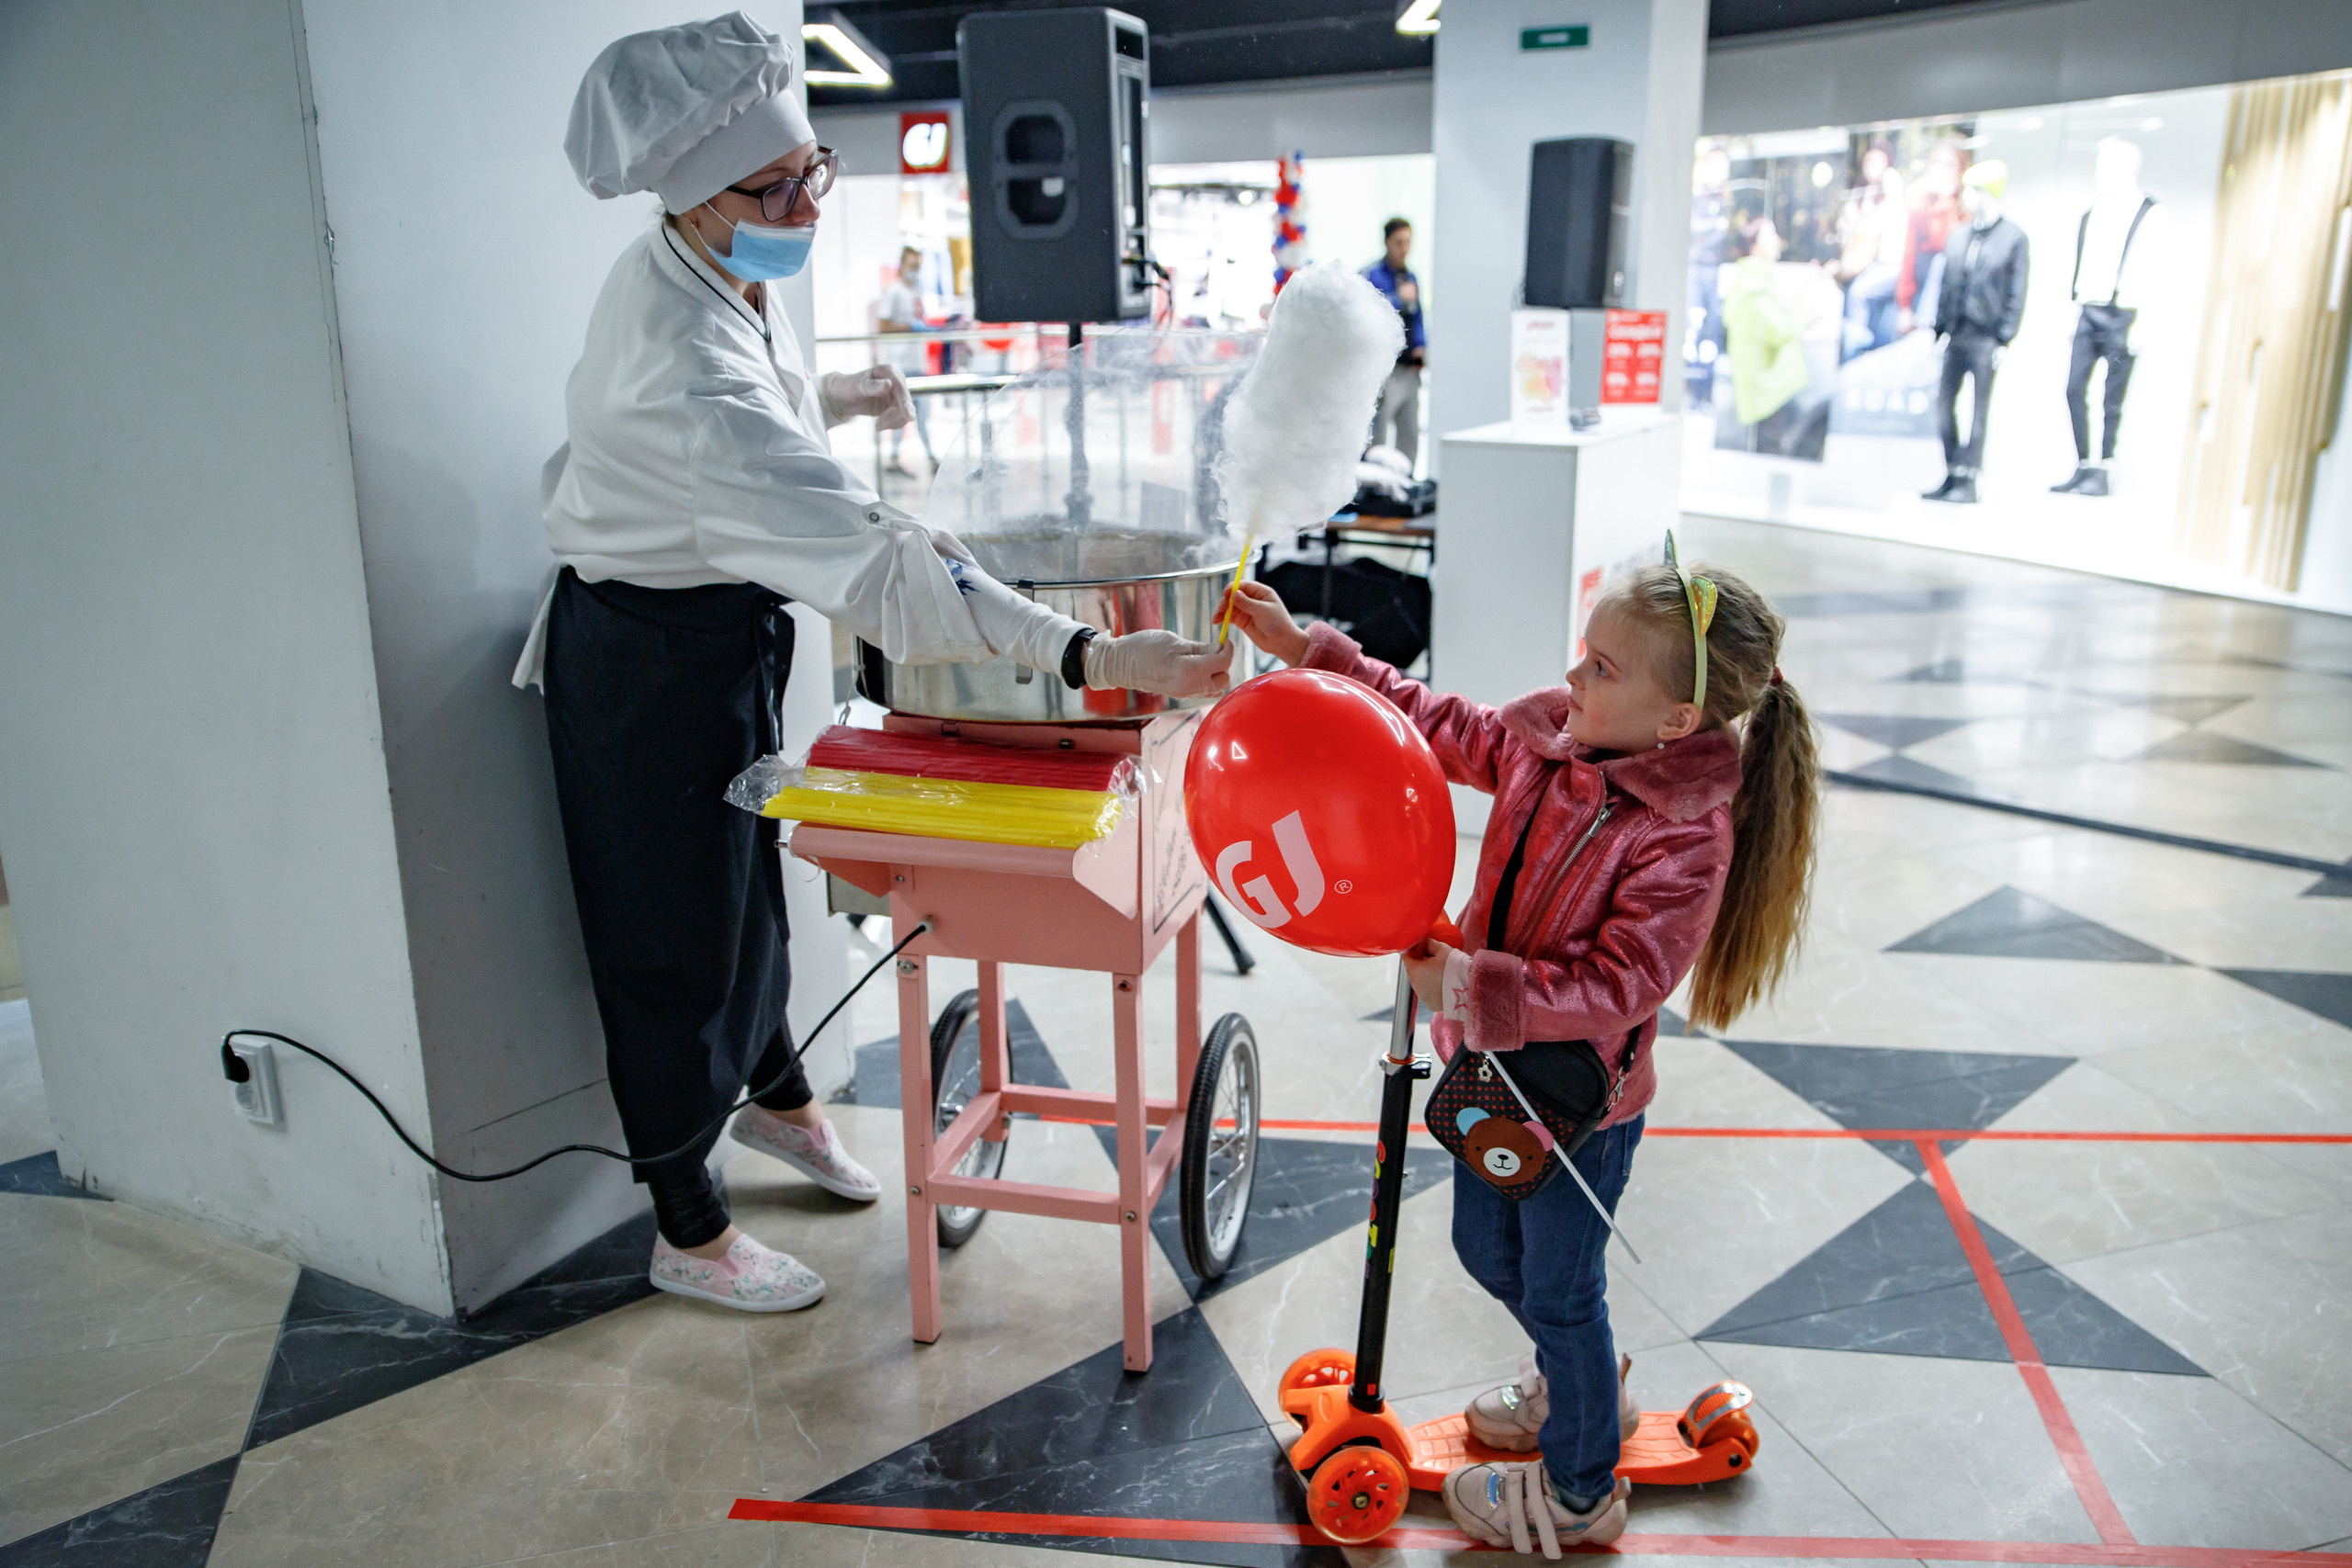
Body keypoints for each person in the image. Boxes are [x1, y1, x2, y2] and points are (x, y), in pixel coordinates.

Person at [514, 14, 1233, 1314]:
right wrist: (1085, 648)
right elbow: (880, 562)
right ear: (694, 194)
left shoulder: (706, 262)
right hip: (641, 669)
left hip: (717, 635)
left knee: (748, 896)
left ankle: (778, 1100)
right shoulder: (686, 375)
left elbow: (760, 421)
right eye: (776, 189)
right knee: (666, 938)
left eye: (813, 172)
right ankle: (685, 1225)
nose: (806, 205)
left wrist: (834, 401)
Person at [1222, 547, 1818, 1554]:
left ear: (1677, 721)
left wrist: (1468, 988)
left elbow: (1621, 987)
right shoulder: (1552, 737)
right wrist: (1306, 650)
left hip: (1581, 1110)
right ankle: (1584, 1385)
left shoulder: (1685, 836)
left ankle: (1581, 1490)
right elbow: (1436, 722)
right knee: (1485, 1250)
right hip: (1490, 1077)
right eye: (1584, 653)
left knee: (1562, 1292)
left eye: (1602, 667)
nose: (1573, 675)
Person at [1922, 160, 2030, 504]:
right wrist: (1938, 330)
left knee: (1978, 412)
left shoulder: (2013, 239)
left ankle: (1969, 479)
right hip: (1955, 334)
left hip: (1986, 337)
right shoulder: (1958, 237)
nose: (1966, 196)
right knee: (1943, 406)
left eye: (1972, 189)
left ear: (1988, 192)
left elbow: (2016, 293)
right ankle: (1953, 471)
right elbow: (1946, 286)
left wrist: (2005, 337)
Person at [1720, 217, 1809, 435]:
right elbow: (1781, 330)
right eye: (1770, 235)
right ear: (1755, 248)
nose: (1777, 240)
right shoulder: (1753, 288)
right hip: (1767, 397)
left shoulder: (1756, 281)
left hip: (1769, 395)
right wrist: (1809, 313)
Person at [1363, 218, 1427, 470]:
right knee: (1378, 430)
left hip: (1409, 368)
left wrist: (1421, 345)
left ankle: (1405, 480)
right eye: (1399, 242)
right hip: (1384, 369)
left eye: (1408, 242)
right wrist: (1397, 299)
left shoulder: (1410, 277)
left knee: (1409, 430)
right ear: (1387, 242)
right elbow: (1368, 314)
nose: (1404, 248)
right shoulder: (1372, 275)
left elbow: (1418, 317)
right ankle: (1375, 481)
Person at [876, 245, 936, 477]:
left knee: (922, 415)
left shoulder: (916, 290)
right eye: (911, 265)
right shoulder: (894, 291)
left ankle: (930, 457)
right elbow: (883, 325)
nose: (915, 270)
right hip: (901, 363)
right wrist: (908, 327)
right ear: (902, 265)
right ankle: (894, 458)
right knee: (901, 413)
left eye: (918, 266)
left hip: (917, 362)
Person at [1896, 141, 1966, 335]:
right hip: (1921, 281)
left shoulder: (1965, 205)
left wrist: (1945, 203)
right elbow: (1909, 251)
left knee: (1940, 261)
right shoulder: (1920, 201)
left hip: (1951, 293)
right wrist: (1905, 305)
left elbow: (1947, 246)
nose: (1941, 170)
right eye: (1937, 162)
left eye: (1949, 164)